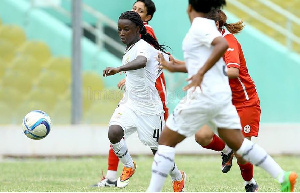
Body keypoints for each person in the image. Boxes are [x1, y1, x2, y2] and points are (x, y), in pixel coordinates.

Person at [146, 0, 297, 192]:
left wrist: (199, 74)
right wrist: (175, 66)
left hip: (205, 96)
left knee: (165, 142)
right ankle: (282, 176)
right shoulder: (209, 26)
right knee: (238, 145)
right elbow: (209, 60)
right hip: (223, 98)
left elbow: (221, 45)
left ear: (190, 7)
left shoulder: (201, 25)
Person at [158, 9, 261, 192]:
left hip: (244, 102)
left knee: (242, 153)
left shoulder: (229, 43)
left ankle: (249, 183)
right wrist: (176, 64)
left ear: (215, 25)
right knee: (202, 136)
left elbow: (233, 72)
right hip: (220, 100)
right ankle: (226, 150)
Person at [101, 11, 186, 191]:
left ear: (138, 29)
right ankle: (129, 166)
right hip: (130, 104)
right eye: (119, 30)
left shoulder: (143, 47)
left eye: (126, 29)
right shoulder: (131, 47)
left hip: (150, 109)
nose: (122, 33)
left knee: (158, 153)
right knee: (114, 132)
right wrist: (126, 77)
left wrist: (119, 68)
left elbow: (141, 62)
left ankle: (178, 176)